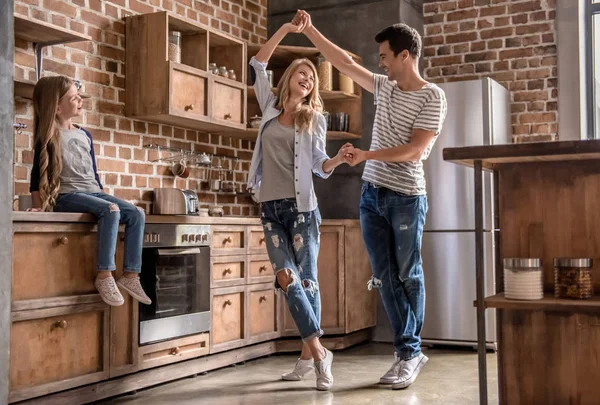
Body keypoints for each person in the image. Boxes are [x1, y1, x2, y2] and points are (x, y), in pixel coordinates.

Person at [293, 10, 448, 389]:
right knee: (383, 276)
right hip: (371, 196)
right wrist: (310, 29)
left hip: (407, 197)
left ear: (404, 56)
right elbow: (342, 61)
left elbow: (414, 151)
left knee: (408, 274)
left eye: (384, 55)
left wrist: (366, 156)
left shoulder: (433, 96)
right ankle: (409, 351)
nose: (380, 62)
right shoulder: (385, 87)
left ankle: (408, 352)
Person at [246, 20, 350, 391]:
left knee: (305, 280)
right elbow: (258, 64)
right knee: (286, 279)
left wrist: (336, 161)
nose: (307, 79)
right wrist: (287, 31)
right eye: (302, 73)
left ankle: (310, 357)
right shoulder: (270, 108)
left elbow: (319, 165)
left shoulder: (315, 118)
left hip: (304, 209)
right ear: (289, 76)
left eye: (312, 78)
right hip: (270, 208)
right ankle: (321, 353)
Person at [28, 75, 152, 308]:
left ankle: (130, 276)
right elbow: (36, 177)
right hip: (66, 197)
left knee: (136, 213)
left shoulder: (84, 134)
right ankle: (104, 276)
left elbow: (92, 174)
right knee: (111, 210)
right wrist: (39, 205)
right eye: (74, 98)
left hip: (93, 192)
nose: (80, 101)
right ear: (56, 107)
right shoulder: (48, 136)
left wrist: (101, 196)